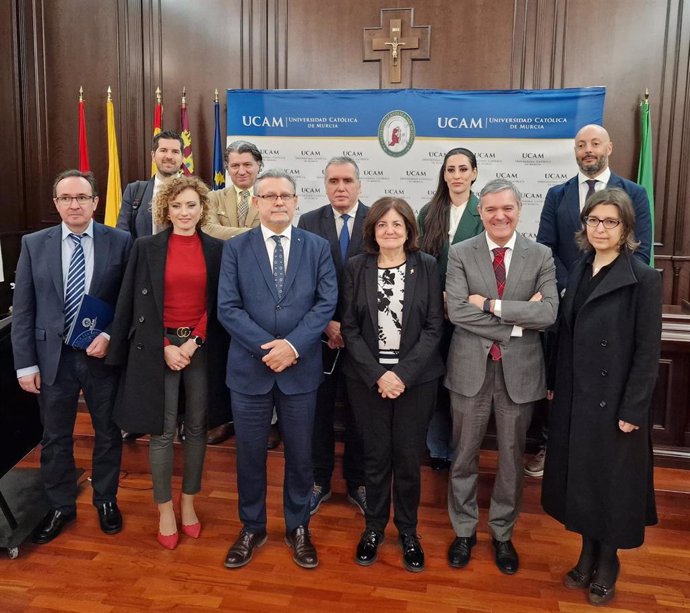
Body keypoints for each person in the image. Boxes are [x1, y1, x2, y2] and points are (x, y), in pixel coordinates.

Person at [542, 188, 661, 606]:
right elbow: (567, 331)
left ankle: (608, 561)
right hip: (577, 395)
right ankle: (587, 552)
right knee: (585, 479)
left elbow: (649, 352)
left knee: (610, 485)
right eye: (594, 221)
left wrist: (633, 408)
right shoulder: (579, 267)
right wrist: (556, 380)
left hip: (616, 403)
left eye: (610, 222)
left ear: (626, 228)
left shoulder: (644, 278)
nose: (600, 229)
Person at [218, 168, 337, 570]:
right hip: (250, 370)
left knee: (301, 457)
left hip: (300, 370)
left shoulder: (317, 246)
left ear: (297, 200)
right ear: (256, 203)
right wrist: (268, 348)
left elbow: (326, 303)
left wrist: (292, 347)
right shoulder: (236, 248)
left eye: (286, 195)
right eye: (270, 196)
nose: (279, 202)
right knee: (249, 455)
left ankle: (298, 526)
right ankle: (252, 526)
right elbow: (227, 308)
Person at [107, 175, 228, 550]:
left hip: (199, 348)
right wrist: (163, 346)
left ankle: (188, 503)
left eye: (191, 205)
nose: (184, 212)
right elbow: (134, 304)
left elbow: (218, 304)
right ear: (166, 209)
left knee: (196, 426)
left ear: (202, 208)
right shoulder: (145, 247)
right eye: (176, 206)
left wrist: (192, 343)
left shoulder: (217, 250)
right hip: (156, 348)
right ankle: (163, 509)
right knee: (159, 431)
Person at [444, 179, 558, 575]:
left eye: (507, 208)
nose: (499, 216)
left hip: (520, 375)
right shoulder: (460, 253)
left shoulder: (541, 254)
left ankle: (502, 533)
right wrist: (516, 320)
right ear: (481, 213)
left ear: (519, 210)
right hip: (469, 371)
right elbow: (457, 312)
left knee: (511, 460)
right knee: (463, 456)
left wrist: (490, 304)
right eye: (491, 209)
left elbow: (548, 314)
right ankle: (463, 530)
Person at [12, 169, 131, 544]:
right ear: (56, 203)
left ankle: (106, 499)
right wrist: (25, 364)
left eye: (82, 197)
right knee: (55, 436)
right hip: (53, 357)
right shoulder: (34, 244)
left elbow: (129, 303)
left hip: (101, 357)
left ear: (96, 202)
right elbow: (24, 308)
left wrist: (112, 336)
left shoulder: (122, 241)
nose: (74, 204)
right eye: (66, 198)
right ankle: (61, 504)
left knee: (108, 433)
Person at [529, 123, 654, 479]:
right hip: (570, 299)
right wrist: (572, 285)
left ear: (609, 147)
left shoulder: (634, 192)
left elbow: (641, 250)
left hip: (614, 305)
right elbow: (546, 247)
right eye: (581, 144)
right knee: (564, 384)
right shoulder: (558, 194)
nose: (588, 149)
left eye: (595, 143)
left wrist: (601, 286)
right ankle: (552, 444)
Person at [341, 197, 445, 573]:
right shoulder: (357, 267)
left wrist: (401, 374)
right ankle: (373, 529)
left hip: (416, 381)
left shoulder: (427, 266)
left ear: (408, 230)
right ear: (372, 230)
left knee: (406, 459)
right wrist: (378, 374)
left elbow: (435, 326)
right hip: (367, 380)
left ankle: (408, 531)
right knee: (375, 457)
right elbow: (349, 327)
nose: (389, 231)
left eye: (397, 224)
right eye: (382, 225)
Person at [297, 156, 368, 516]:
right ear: (325, 185)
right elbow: (303, 281)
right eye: (333, 181)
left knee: (359, 413)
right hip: (319, 337)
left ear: (359, 184)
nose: (340, 187)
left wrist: (348, 326)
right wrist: (327, 322)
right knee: (318, 414)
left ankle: (357, 482)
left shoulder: (377, 220)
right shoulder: (308, 222)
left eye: (347, 181)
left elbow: (377, 282)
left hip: (362, 338)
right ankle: (319, 480)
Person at [202, 140, 275, 447]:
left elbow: (272, 227)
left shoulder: (270, 196)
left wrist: (227, 231)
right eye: (235, 165)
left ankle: (270, 423)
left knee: (263, 352)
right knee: (219, 355)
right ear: (227, 168)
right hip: (219, 285)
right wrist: (252, 233)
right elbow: (206, 228)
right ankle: (222, 418)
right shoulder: (212, 197)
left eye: (248, 164)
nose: (241, 170)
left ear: (259, 166)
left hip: (264, 289)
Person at [418, 147, 484, 470]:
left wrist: (455, 298)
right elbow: (417, 262)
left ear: (474, 173)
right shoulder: (427, 212)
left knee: (462, 386)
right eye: (450, 170)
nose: (456, 176)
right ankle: (437, 448)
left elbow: (489, 267)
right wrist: (437, 297)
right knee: (434, 381)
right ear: (443, 175)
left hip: (468, 316)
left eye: (463, 169)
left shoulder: (485, 212)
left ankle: (462, 450)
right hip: (432, 314)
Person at [116, 130, 184, 240]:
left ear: (182, 158)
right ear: (153, 155)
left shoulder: (194, 192)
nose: (169, 156)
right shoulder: (134, 191)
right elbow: (122, 235)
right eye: (163, 150)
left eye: (175, 152)